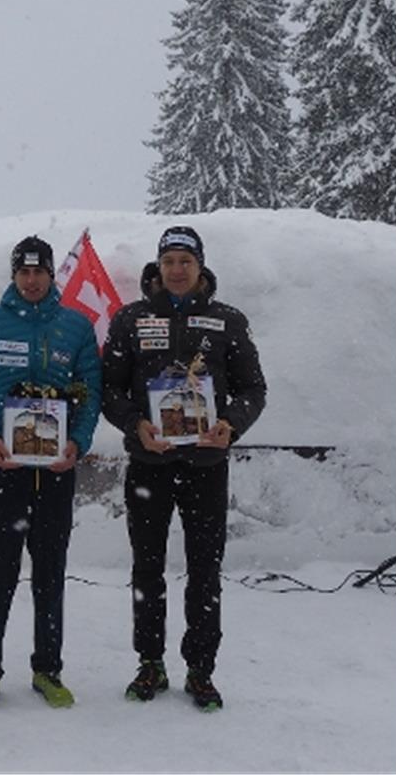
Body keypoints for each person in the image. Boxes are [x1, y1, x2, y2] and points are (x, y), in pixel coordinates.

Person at [101, 225, 266, 712]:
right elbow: (110, 389)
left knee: (205, 572)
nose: (177, 270)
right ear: (158, 266)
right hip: (149, 464)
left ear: (200, 267)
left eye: (185, 262)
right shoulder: (131, 320)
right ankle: (150, 661)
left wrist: (230, 426)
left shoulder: (227, 320)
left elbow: (254, 389)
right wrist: (136, 426)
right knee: (147, 569)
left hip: (206, 465)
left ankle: (200, 668)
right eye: (169, 261)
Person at [0, 235, 102, 711]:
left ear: (50, 275)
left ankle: (47, 669)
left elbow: (90, 396)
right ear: (14, 275)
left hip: (55, 473)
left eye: (40, 272)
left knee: (51, 576)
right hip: (4, 470)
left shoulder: (75, 327)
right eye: (24, 272)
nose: (32, 280)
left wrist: (77, 443)